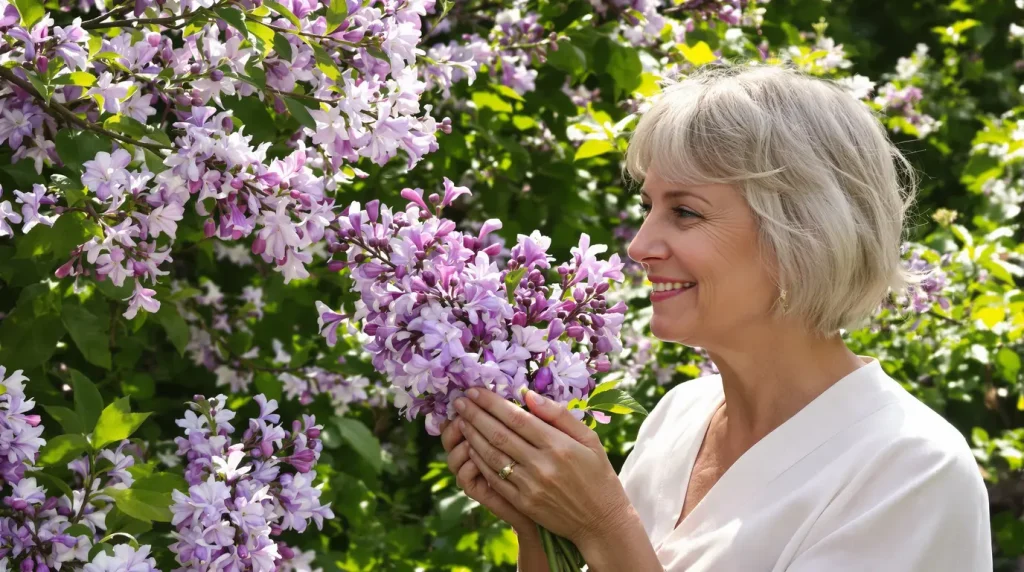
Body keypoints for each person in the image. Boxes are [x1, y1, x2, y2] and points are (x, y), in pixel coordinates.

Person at [439, 63, 993, 571]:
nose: (639, 245)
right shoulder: (680, 416)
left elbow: (612, 538)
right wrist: (540, 525)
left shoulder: (911, 469)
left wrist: (601, 524)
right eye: (648, 207)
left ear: (802, 234)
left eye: (685, 211)